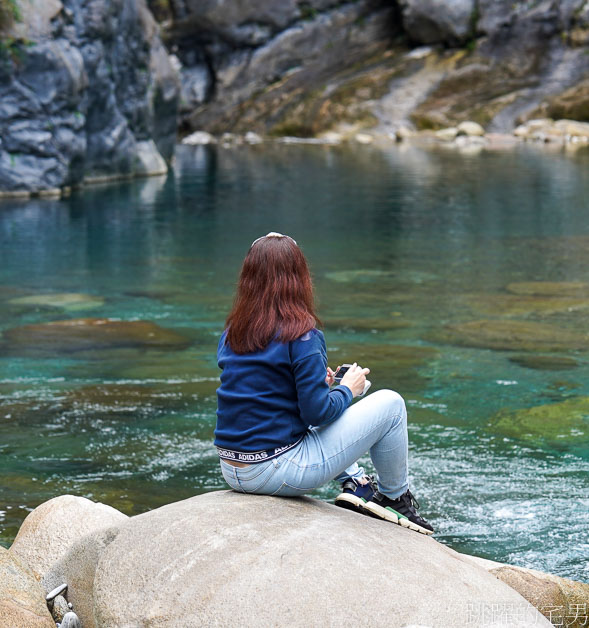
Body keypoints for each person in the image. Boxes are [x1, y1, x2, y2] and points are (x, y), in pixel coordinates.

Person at [215, 232, 433, 535]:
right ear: (299, 277)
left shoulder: (232, 333)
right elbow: (316, 413)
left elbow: (261, 391)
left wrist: (317, 380)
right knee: (391, 404)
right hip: (275, 472)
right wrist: (348, 389)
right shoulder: (303, 335)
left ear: (248, 278)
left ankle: (355, 481)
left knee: (330, 399)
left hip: (232, 468)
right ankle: (395, 498)